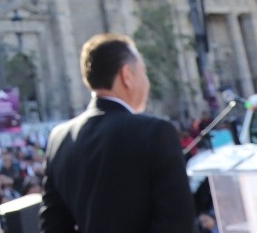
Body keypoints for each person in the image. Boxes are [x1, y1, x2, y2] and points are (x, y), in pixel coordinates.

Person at [39, 33, 195, 233]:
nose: (147, 82)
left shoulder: (59, 138)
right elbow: (177, 223)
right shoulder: (155, 132)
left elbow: (53, 226)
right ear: (126, 75)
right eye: (144, 73)